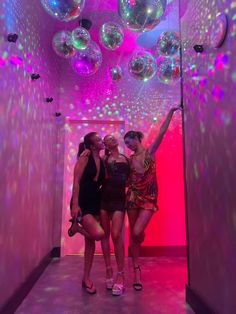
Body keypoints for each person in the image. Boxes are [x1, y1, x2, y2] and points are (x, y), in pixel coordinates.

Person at [124, 106, 182, 291]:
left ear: (136, 138)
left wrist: (172, 111)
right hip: (132, 196)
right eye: (126, 144)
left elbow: (162, 131)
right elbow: (124, 177)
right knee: (133, 235)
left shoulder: (150, 152)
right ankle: (136, 270)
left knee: (137, 232)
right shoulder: (129, 159)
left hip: (149, 196)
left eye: (129, 141)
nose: (128, 145)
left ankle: (139, 243)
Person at [70, 132, 105, 294]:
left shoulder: (102, 160)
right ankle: (76, 228)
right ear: (91, 145)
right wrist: (75, 204)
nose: (102, 140)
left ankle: (86, 278)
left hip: (96, 200)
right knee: (98, 234)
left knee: (90, 243)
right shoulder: (85, 157)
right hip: (83, 200)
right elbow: (76, 181)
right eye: (98, 139)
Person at [100, 134, 130, 296]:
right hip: (104, 200)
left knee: (116, 234)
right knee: (104, 235)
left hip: (119, 201)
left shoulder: (126, 159)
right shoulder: (104, 160)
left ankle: (120, 274)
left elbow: (132, 180)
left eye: (113, 137)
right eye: (109, 139)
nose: (113, 139)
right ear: (106, 144)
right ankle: (108, 269)